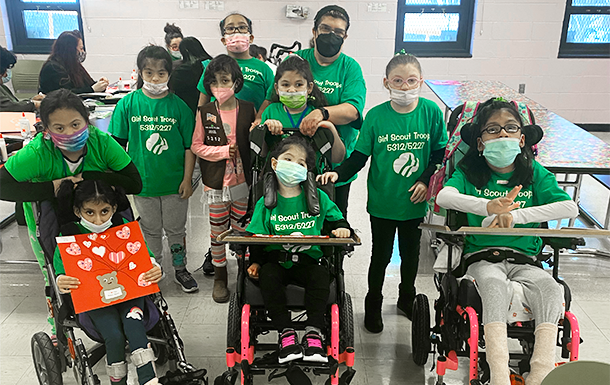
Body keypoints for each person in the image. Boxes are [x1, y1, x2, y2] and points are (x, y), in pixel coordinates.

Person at [435, 98, 578, 385]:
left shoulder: (533, 174)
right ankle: (499, 371)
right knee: (493, 285)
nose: (502, 135)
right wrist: (488, 208)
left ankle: (540, 370)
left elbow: (569, 208)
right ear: (479, 142)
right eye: (493, 130)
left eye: (510, 128)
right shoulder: (469, 173)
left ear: (522, 138)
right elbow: (444, 197)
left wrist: (516, 216)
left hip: (524, 258)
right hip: (483, 256)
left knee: (551, 288)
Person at [318, 53, 447, 333]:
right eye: (398, 81)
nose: (405, 87)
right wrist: (338, 173)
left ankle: (406, 297)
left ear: (421, 82)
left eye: (411, 81)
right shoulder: (375, 116)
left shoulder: (431, 112)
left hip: (414, 202)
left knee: (410, 255)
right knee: (381, 255)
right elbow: (359, 156)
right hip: (383, 201)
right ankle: (373, 303)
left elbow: (440, 152)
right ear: (386, 83)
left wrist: (426, 181)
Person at [0, 88, 142, 335]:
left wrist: (87, 175)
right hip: (53, 223)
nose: (70, 132)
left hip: (102, 218)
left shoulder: (101, 142)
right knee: (54, 276)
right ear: (46, 129)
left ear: (87, 122)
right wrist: (52, 187)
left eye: (76, 124)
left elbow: (134, 183)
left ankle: (126, 313)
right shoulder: (37, 153)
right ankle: (58, 330)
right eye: (59, 128)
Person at [246, 135, 352, 364]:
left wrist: (341, 228)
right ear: (275, 164)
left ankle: (313, 333)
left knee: (321, 275)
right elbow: (255, 237)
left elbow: (336, 220)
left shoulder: (318, 198)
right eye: (288, 159)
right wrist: (255, 261)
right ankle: (286, 333)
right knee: (268, 274)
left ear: (307, 170)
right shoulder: (265, 202)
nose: (294, 166)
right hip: (276, 262)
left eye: (301, 163)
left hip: (308, 261)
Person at [259, 5, 366, 219]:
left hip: (332, 157)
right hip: (291, 159)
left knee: (332, 216)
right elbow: (272, 97)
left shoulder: (350, 68)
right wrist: (258, 120)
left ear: (345, 36)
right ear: (314, 31)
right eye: (325, 29)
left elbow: (353, 110)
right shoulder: (297, 60)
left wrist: (322, 114)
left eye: (338, 32)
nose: (331, 35)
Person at [108, 45, 198, 293]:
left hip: (174, 182)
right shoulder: (128, 104)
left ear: (169, 74)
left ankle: (180, 269)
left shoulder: (179, 107)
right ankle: (152, 268)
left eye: (161, 73)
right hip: (142, 183)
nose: (155, 79)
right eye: (149, 73)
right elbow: (117, 146)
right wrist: (120, 180)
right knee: (149, 230)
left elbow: (190, 147)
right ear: (140, 73)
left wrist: (188, 179)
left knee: (176, 230)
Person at [55, 179, 162, 385]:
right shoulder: (69, 235)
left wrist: (154, 267)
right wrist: (61, 279)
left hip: (129, 293)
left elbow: (144, 255)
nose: (97, 220)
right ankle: (117, 382)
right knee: (113, 336)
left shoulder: (122, 227)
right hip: (95, 299)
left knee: (135, 328)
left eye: (104, 211)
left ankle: (149, 380)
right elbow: (60, 266)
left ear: (113, 208)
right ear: (78, 211)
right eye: (90, 213)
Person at [191, 54, 255, 302]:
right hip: (215, 184)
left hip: (242, 183)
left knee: (242, 230)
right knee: (218, 231)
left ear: (236, 82)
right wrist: (220, 152)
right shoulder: (205, 112)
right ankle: (220, 276)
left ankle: (243, 274)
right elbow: (197, 146)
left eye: (225, 80)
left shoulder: (247, 109)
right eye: (215, 82)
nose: (220, 87)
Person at [261, 55, 345, 166]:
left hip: (310, 178)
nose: (291, 90)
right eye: (285, 85)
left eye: (299, 84)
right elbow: (261, 153)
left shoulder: (315, 115)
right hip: (276, 177)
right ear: (276, 88)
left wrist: (330, 128)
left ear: (309, 87)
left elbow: (337, 158)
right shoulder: (270, 112)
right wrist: (265, 130)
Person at [196, 13, 274, 112]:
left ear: (251, 38)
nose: (236, 32)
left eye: (242, 27)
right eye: (230, 28)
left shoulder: (264, 68)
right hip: (217, 124)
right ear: (223, 40)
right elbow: (202, 104)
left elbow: (271, 100)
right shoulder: (213, 66)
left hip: (252, 124)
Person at [39, 30, 109, 94]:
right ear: (70, 50)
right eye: (81, 48)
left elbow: (88, 85)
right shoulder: (52, 67)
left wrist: (101, 85)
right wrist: (92, 89)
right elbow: (65, 94)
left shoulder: (74, 65)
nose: (83, 52)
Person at [169, 36, 212, 114]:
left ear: (184, 51)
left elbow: (172, 87)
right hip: (212, 107)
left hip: (188, 109)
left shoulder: (182, 70)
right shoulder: (212, 64)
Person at [0, 46, 45, 112]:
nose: (5, 75)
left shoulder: (2, 87)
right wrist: (33, 104)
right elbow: (9, 107)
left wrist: (31, 101)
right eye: (4, 71)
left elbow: (14, 104)